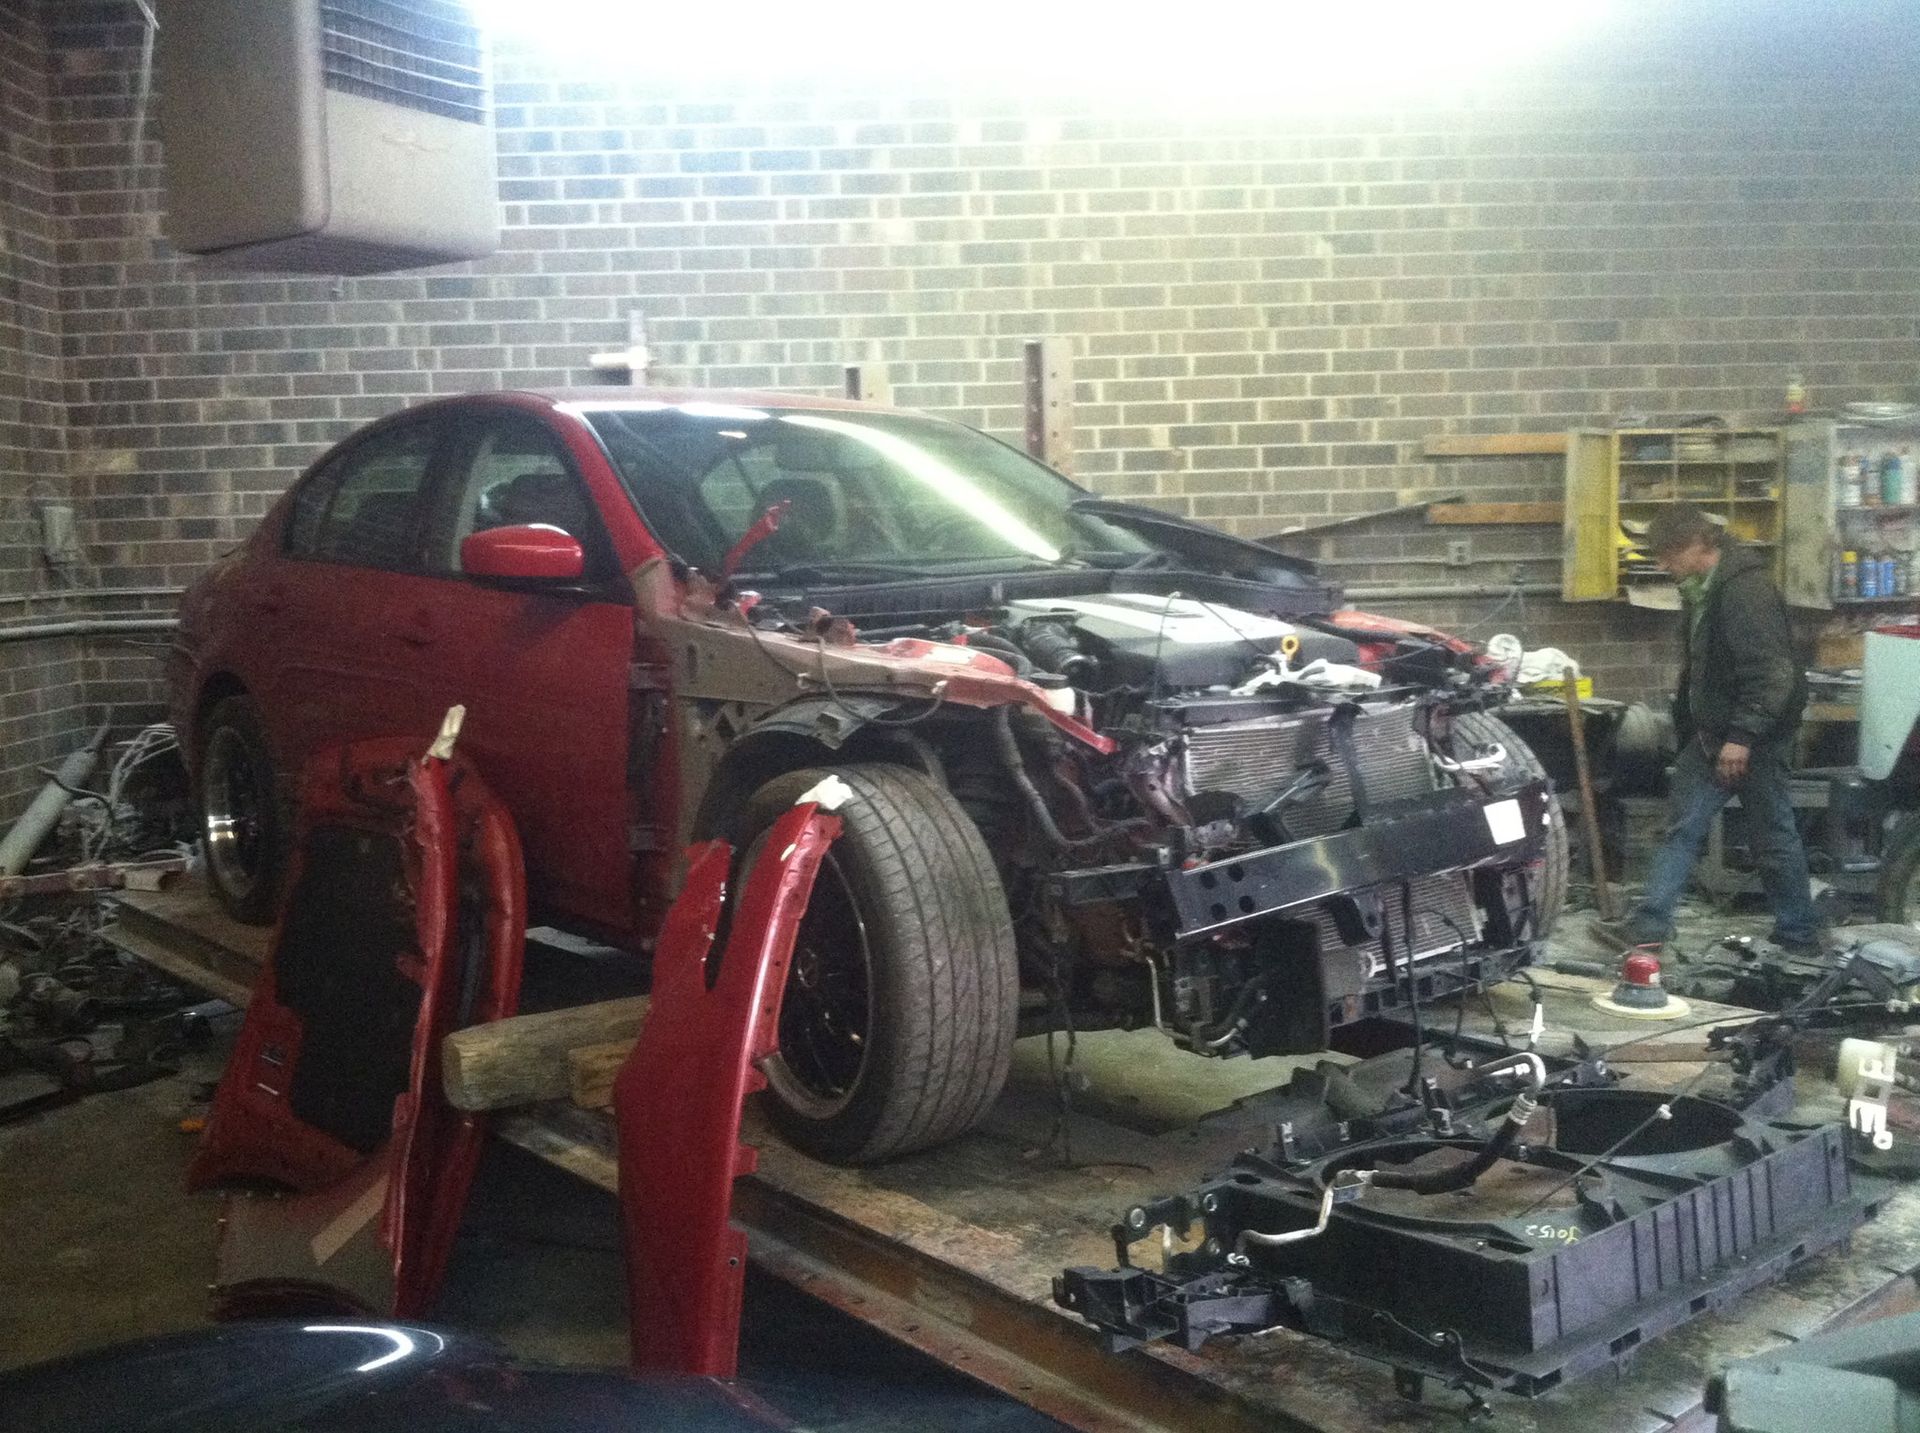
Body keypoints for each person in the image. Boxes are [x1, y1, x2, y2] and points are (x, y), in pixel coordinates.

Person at [1597, 505, 1824, 954]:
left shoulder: (1744, 591)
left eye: (1668, 556)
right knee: (1682, 829)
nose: (1663, 566)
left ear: (1698, 546)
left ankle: (1799, 936)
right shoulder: (1703, 588)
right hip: (1710, 737)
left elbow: (1773, 673)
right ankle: (1650, 926)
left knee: (1773, 835)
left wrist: (1741, 738)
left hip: (1754, 739)